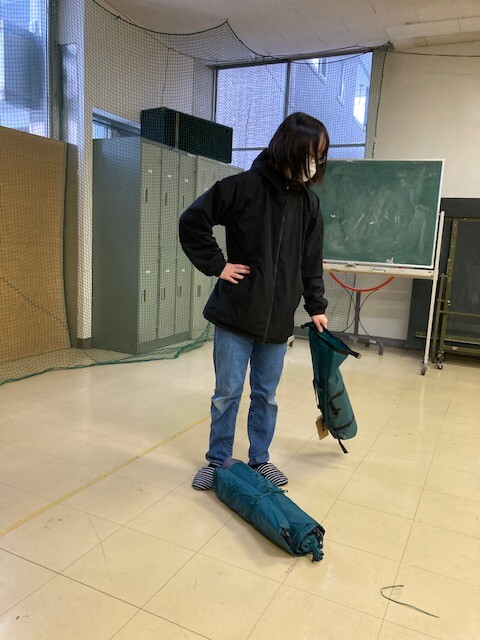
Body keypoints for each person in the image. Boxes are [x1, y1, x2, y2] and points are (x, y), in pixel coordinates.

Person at [179, 112, 329, 490]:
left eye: (320, 157)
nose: (315, 163)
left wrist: (316, 307)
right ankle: (218, 460)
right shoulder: (244, 187)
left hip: (277, 322)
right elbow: (193, 221)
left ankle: (260, 460)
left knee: (266, 396)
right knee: (226, 394)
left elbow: (310, 261)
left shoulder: (309, 205)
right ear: (290, 148)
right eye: (311, 154)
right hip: (235, 315)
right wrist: (218, 265)